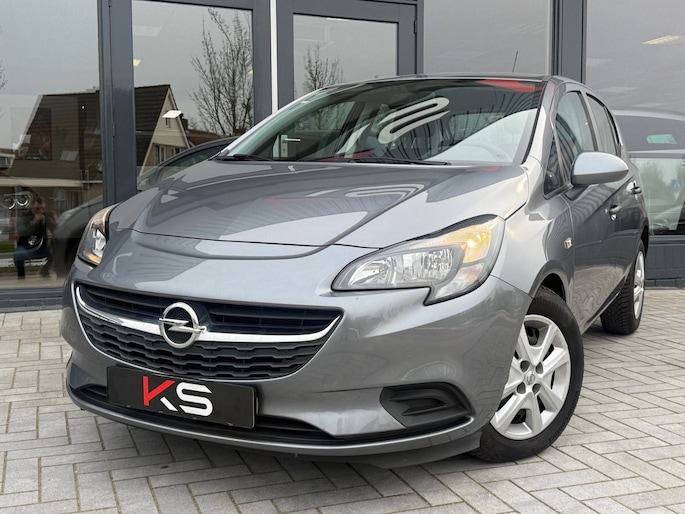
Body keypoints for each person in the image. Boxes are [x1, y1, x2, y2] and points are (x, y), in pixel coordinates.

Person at [13, 197, 56, 279]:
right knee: (18, 254)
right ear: (32, 207)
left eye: (42, 209)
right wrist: (34, 223)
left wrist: (53, 222)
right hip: (25, 247)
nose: (40, 211)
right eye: (37, 209)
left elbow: (55, 231)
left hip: (41, 247)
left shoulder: (45, 217)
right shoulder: (24, 217)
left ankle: (45, 270)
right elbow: (22, 232)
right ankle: (21, 276)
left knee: (57, 251)